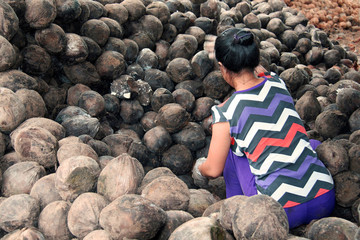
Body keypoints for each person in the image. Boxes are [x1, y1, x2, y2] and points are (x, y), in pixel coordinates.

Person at [192, 27, 335, 229]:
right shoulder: (277, 82)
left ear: (222, 68)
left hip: (278, 211)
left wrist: (200, 168)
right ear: (255, 59)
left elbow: (214, 170)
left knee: (233, 152)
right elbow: (259, 72)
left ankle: (236, 209)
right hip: (324, 198)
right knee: (307, 142)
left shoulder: (224, 113)